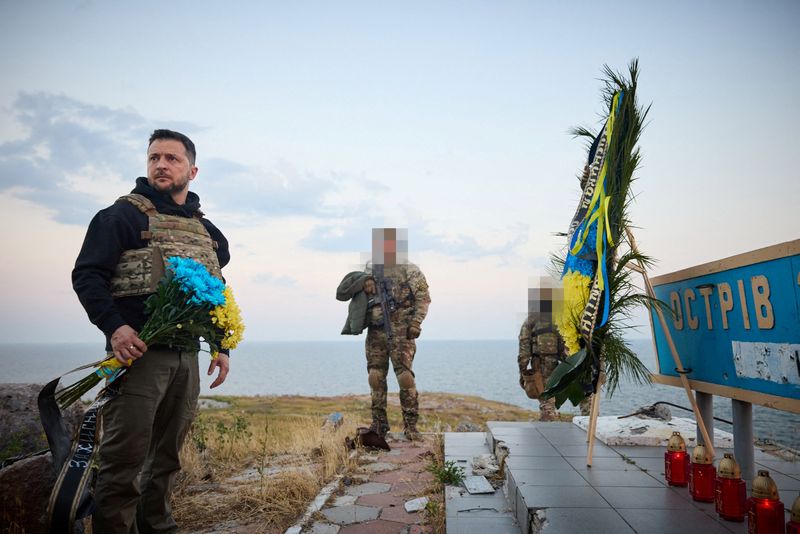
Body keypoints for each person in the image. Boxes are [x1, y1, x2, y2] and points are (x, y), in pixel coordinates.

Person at [72, 129, 230, 533]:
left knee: (167, 459)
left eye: (172, 158)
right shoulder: (120, 216)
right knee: (123, 460)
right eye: (154, 157)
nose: (161, 164)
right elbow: (88, 275)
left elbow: (215, 291)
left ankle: (158, 527)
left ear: (192, 171)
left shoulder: (208, 233)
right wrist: (116, 328)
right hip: (137, 357)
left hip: (185, 358)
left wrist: (220, 344)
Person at [362, 228, 431, 441]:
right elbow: (347, 289)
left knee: (405, 377)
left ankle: (411, 426)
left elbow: (423, 298)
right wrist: (363, 282)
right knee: (375, 376)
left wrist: (415, 323)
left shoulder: (409, 270)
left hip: (401, 333)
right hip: (376, 331)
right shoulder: (370, 270)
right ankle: (379, 424)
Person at [517, 281, 591, 421]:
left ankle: (550, 429)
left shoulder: (531, 321)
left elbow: (524, 352)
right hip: (569, 363)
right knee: (585, 399)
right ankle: (589, 424)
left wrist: (523, 373)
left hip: (547, 366)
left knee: (547, 404)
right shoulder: (565, 316)